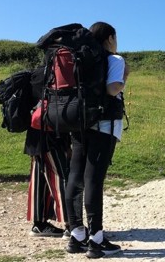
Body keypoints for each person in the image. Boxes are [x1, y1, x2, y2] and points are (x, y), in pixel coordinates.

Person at [65, 21, 129, 258]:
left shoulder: (79, 58)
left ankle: (76, 235)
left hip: (79, 123)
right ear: (110, 38)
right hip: (103, 126)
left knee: (75, 176)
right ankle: (96, 239)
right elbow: (113, 89)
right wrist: (124, 78)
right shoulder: (115, 60)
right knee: (94, 180)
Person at [25, 127, 70, 238]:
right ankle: (71, 225)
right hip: (52, 135)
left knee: (40, 178)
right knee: (63, 178)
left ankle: (39, 223)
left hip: (35, 136)